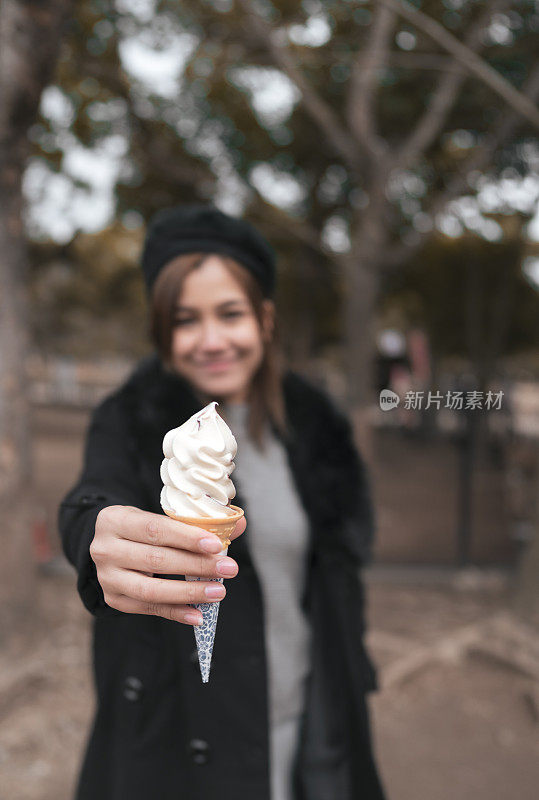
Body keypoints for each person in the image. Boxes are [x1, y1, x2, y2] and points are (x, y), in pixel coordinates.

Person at [59, 204, 387, 800]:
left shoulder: (314, 425)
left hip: (310, 718)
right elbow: (92, 499)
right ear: (163, 332)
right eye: (186, 320)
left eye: (230, 314)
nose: (211, 341)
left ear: (264, 318)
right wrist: (95, 535)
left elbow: (336, 569)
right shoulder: (130, 419)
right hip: (185, 737)